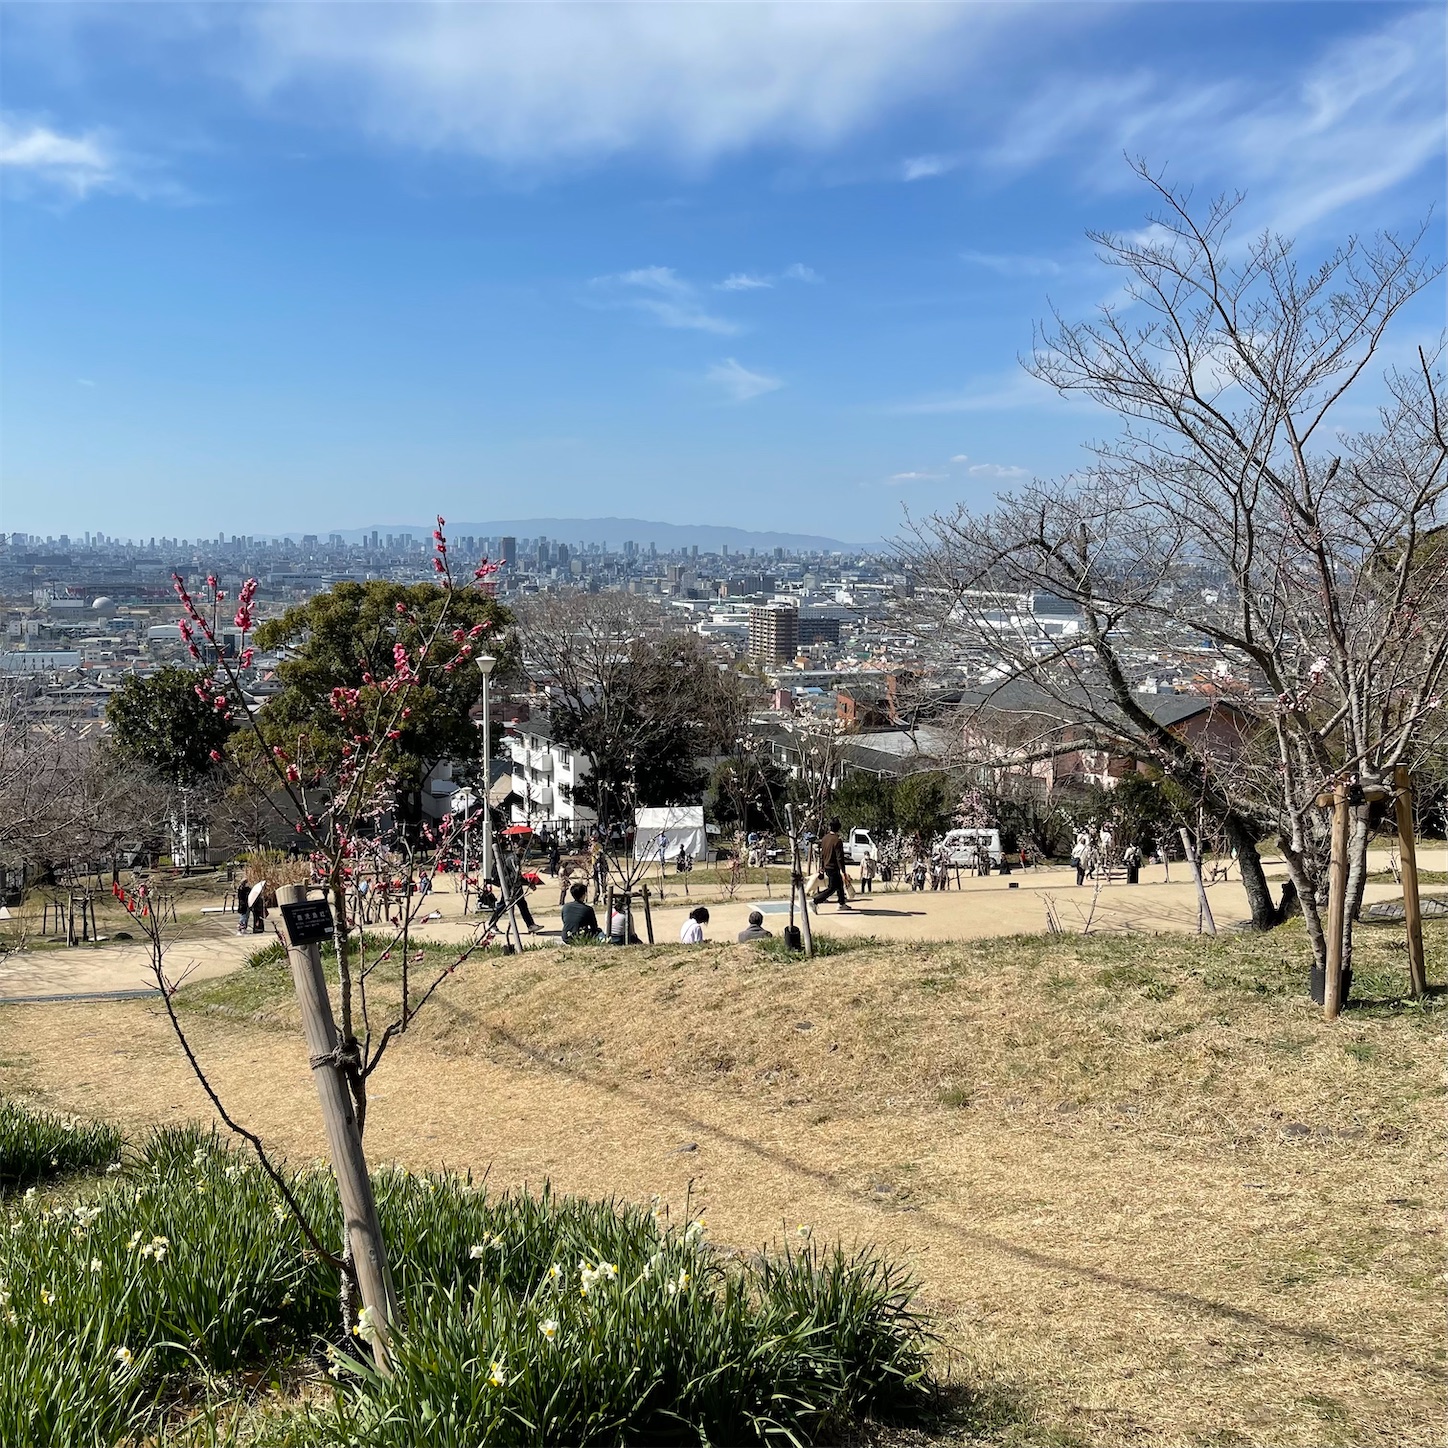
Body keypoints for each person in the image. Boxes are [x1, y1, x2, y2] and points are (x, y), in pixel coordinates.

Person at [812, 818, 851, 910]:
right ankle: (815, 901)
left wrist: (821, 866)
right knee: (832, 888)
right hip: (834, 867)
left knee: (839, 885)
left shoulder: (825, 838)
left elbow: (822, 854)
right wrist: (843, 871)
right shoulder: (837, 841)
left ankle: (841, 903)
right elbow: (839, 858)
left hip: (827, 866)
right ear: (839, 828)